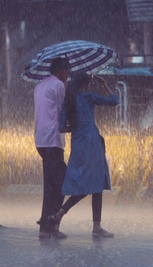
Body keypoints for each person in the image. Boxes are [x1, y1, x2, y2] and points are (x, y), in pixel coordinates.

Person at [48, 72, 119, 238]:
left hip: (78, 145)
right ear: (84, 85)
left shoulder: (69, 101)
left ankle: (62, 214)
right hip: (92, 145)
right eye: (88, 84)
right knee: (96, 184)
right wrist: (104, 84)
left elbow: (61, 127)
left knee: (85, 184)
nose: (89, 87)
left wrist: (76, 127)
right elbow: (115, 100)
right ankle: (93, 226)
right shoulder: (88, 97)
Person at [33, 57, 70, 239]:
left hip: (40, 140)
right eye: (68, 73)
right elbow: (63, 112)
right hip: (53, 140)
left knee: (51, 184)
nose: (68, 76)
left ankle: (46, 227)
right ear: (62, 70)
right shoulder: (58, 86)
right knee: (60, 184)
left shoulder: (39, 86)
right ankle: (51, 225)